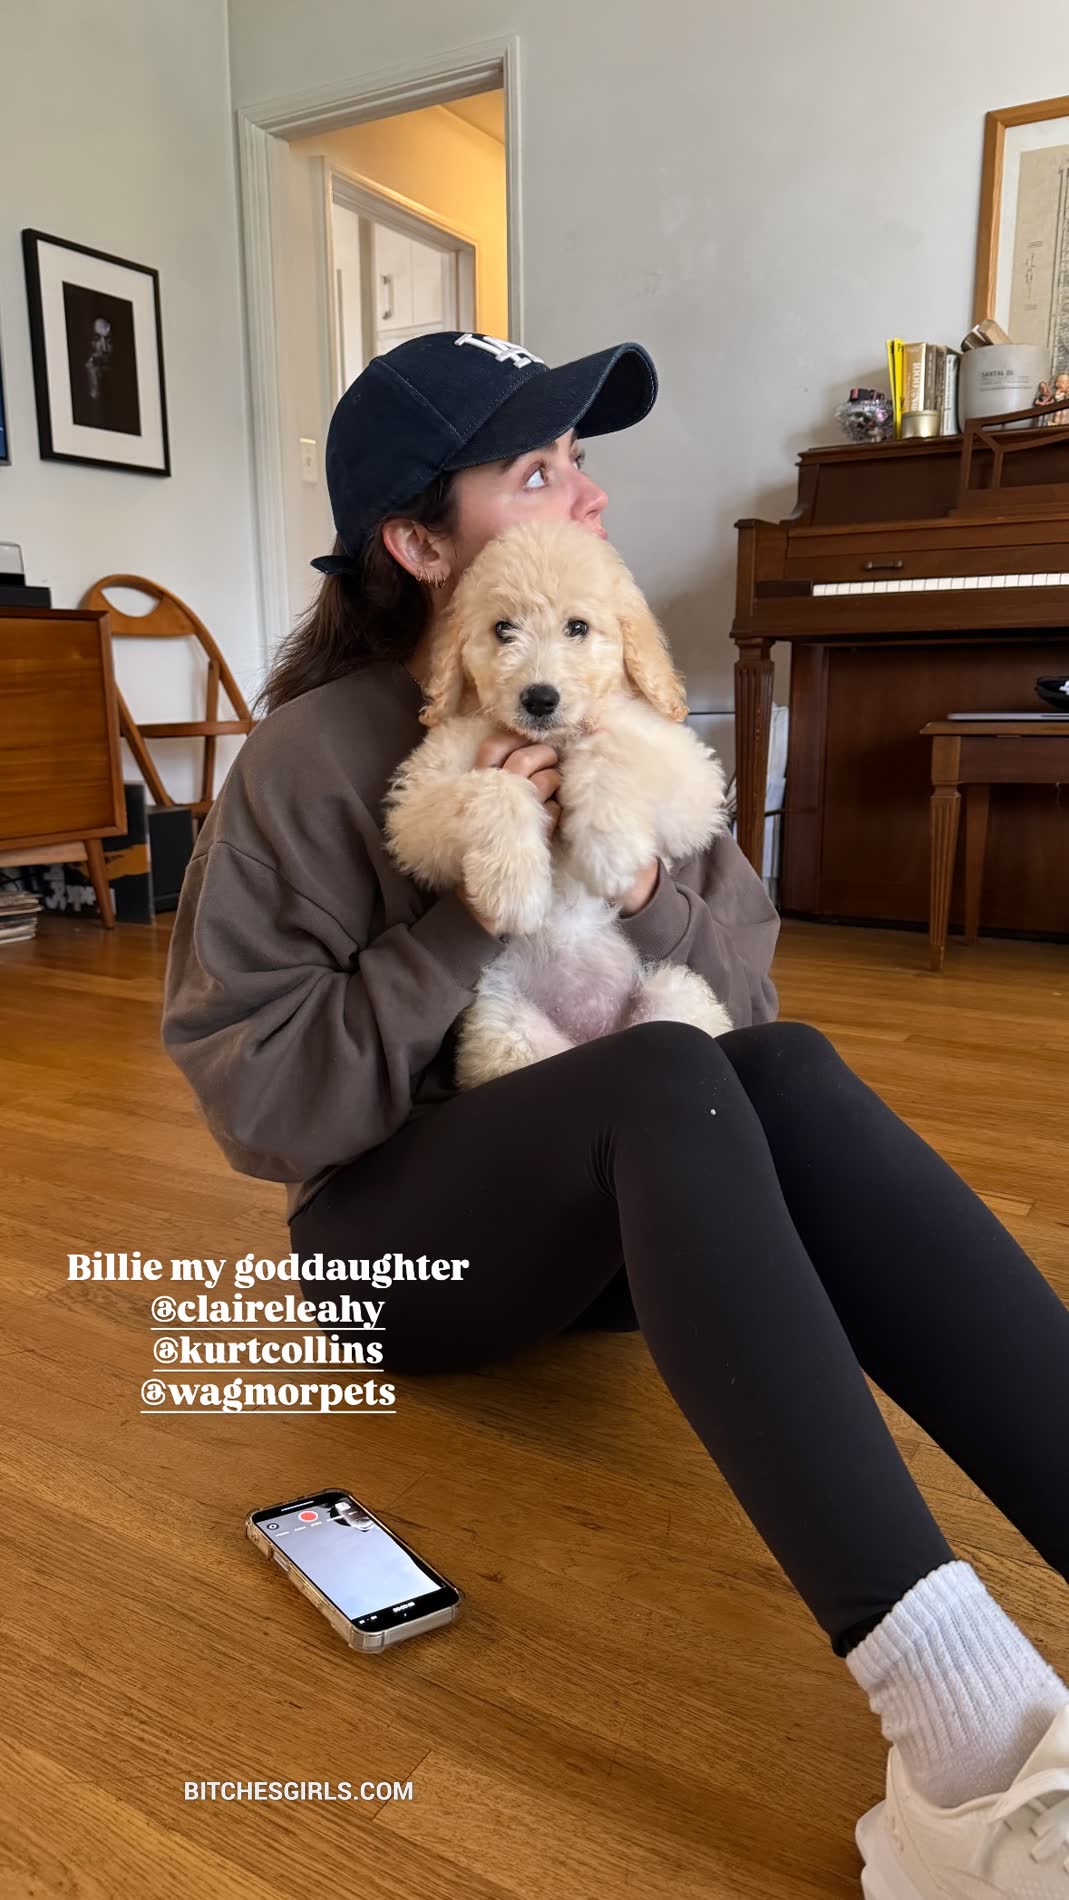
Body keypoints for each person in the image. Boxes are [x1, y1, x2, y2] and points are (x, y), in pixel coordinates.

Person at [162, 331, 1069, 1896]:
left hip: (635, 1217)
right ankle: (964, 1746)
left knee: (777, 1069)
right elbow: (266, 1102)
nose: (584, 496)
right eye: (536, 469)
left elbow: (747, 1002)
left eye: (579, 462)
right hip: (403, 1254)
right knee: (660, 1078)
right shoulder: (309, 760)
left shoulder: (618, 698)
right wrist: (467, 915)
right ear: (419, 542)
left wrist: (640, 881)